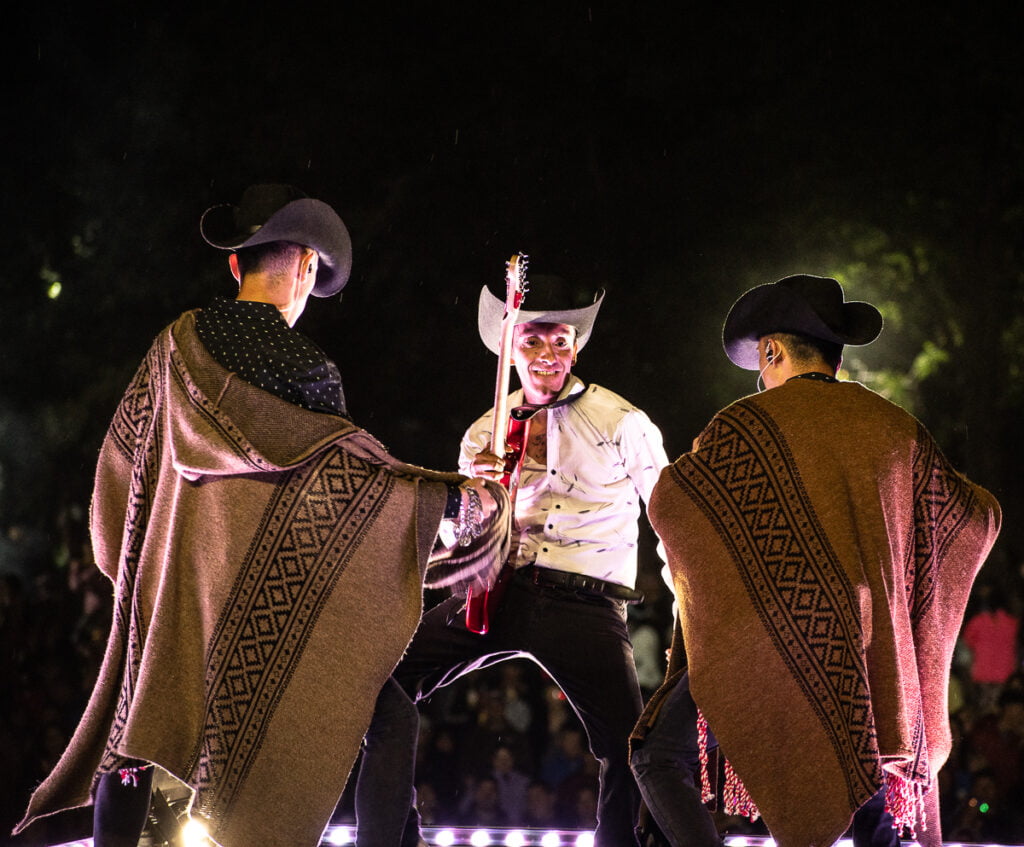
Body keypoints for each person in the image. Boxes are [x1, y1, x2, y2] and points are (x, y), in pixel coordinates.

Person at [13, 184, 507, 847]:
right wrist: (462, 500)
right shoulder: (306, 370)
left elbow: (121, 471)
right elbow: (356, 494)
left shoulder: (172, 347)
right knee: (388, 716)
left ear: (235, 265)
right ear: (305, 265)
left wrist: (156, 570)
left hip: (171, 617)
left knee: (138, 739)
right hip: (261, 628)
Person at [631, 274, 1001, 847]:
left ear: (772, 350)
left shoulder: (745, 428)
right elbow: (974, 516)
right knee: (876, 779)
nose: (761, 376)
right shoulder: (895, 428)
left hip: (771, 640)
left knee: (658, 753)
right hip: (869, 648)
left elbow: (674, 501)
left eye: (761, 362)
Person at [356, 275, 669, 847]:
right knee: (384, 682)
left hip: (587, 602)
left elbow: (670, 519)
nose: (548, 356)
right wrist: (477, 490)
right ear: (509, 349)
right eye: (532, 342)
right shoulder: (485, 430)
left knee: (630, 742)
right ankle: (395, 839)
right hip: (499, 592)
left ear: (576, 348)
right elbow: (464, 540)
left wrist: (688, 610)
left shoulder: (622, 422)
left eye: (560, 342)